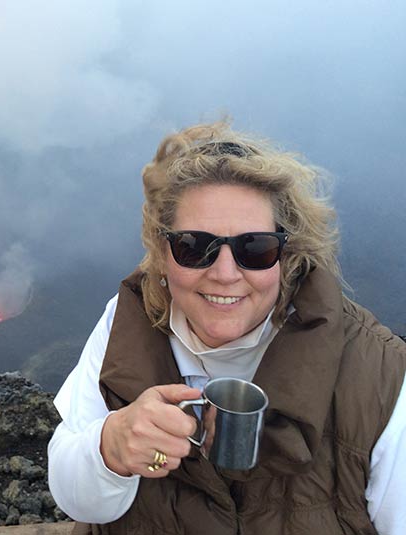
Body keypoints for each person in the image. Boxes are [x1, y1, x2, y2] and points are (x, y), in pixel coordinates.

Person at [47, 121, 406, 534]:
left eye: (255, 248)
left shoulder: (377, 370)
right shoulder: (124, 328)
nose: (224, 273)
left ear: (287, 258)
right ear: (162, 255)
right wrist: (108, 448)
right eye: (193, 247)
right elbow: (76, 497)